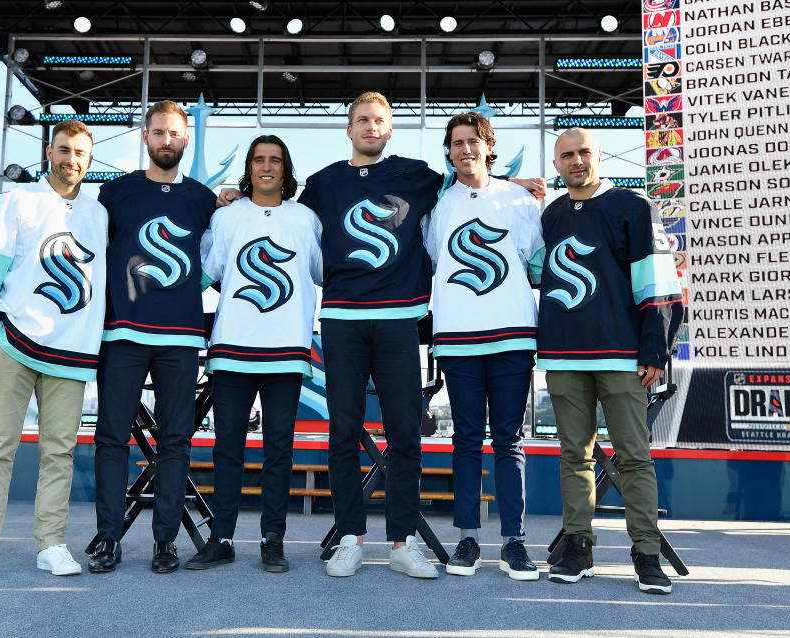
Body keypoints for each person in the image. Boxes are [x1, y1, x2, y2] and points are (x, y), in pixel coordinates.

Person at [219, 91, 545, 580]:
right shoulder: (323, 184)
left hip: (398, 319)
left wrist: (515, 184)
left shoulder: (415, 174)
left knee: (404, 433)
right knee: (343, 433)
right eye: (362, 120)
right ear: (348, 129)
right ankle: (349, 537)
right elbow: (279, 212)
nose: (371, 127)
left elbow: (470, 182)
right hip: (344, 320)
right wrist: (234, 197)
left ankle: (402, 540)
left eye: (379, 120)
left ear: (390, 129)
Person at [0, 120, 107, 582]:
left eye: (79, 152)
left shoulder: (99, 216)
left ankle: (51, 544)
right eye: (62, 150)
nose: (70, 159)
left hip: (71, 351)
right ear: (48, 153)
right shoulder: (16, 201)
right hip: (14, 342)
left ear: (89, 160)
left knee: (59, 452)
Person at [537, 127, 683, 594]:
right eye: (566, 156)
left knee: (634, 457)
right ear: (557, 164)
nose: (576, 161)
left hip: (622, 355)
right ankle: (578, 547)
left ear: (597, 157)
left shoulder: (633, 206)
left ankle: (645, 552)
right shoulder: (551, 214)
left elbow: (657, 279)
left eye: (583, 153)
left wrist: (656, 346)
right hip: (563, 354)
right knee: (573, 456)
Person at [88, 101, 216, 574]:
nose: (166, 140)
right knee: (111, 437)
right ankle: (108, 538)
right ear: (145, 137)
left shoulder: (204, 200)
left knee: (176, 441)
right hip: (122, 333)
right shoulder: (114, 194)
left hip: (181, 336)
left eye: (175, 133)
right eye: (158, 132)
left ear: (186, 140)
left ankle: (166, 541)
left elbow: (217, 262)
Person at [185, 135, 321, 573]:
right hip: (231, 347)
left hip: (287, 348)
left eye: (275, 160)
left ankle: (272, 539)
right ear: (249, 167)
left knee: (278, 449)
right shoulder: (227, 218)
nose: (267, 167)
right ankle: (221, 537)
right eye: (259, 160)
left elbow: (324, 271)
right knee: (229, 448)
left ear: (286, 168)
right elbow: (205, 273)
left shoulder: (306, 219)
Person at [423, 112, 543, 580]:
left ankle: (514, 541)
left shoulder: (519, 200)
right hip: (458, 338)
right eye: (456, 143)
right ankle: (467, 538)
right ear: (448, 151)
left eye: (473, 141)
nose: (465, 149)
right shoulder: (438, 207)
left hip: (513, 335)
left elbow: (535, 265)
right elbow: (435, 260)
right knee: (467, 439)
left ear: (488, 147)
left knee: (509, 440)